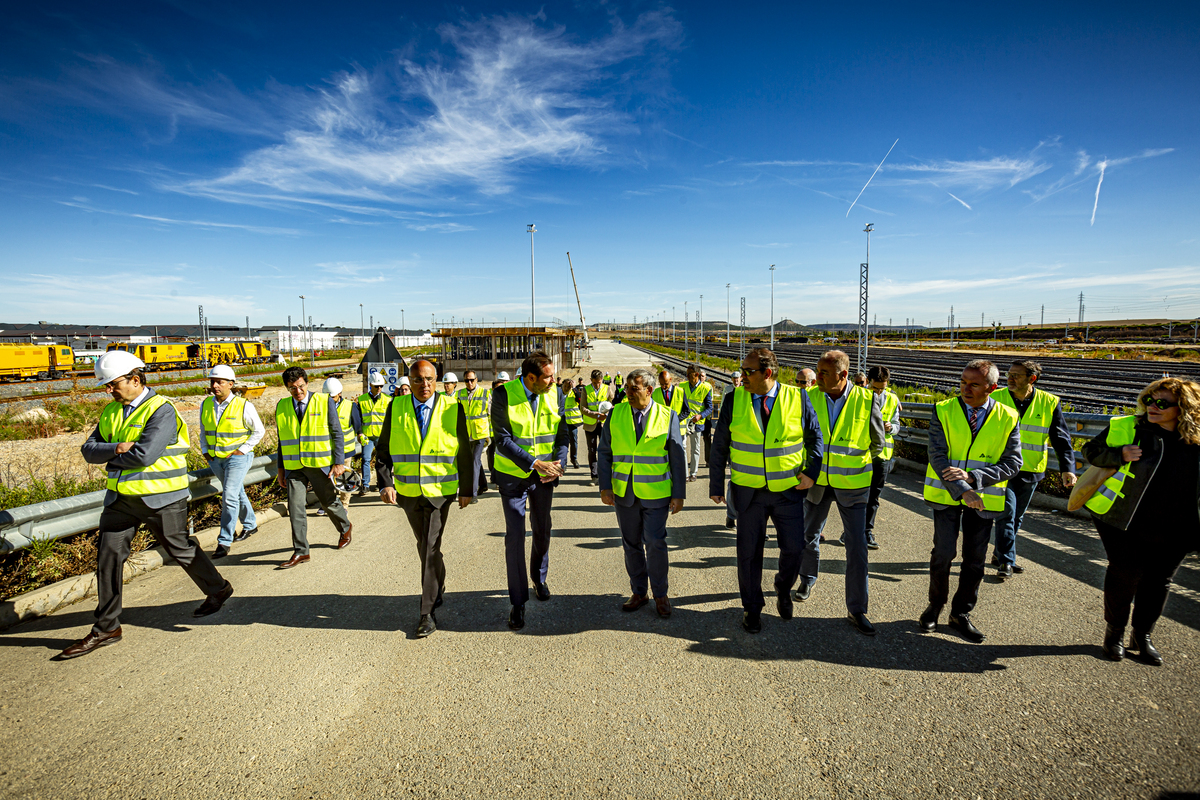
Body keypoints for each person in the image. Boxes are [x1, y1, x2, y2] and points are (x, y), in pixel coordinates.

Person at [62, 351, 232, 659]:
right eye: (106, 386)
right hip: (120, 501)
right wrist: (116, 447)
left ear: (135, 379)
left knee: (179, 549)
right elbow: (88, 450)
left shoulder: (161, 410)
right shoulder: (111, 412)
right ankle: (107, 627)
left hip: (162, 498)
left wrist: (111, 461)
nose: (108, 390)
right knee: (108, 559)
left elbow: (144, 455)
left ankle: (218, 589)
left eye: (112, 384)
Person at [1083, 377, 1200, 665]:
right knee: (1125, 575)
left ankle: (1143, 636)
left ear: (1184, 408)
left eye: (1162, 403)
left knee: (1159, 581)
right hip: (1125, 520)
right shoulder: (1129, 428)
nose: (1152, 407)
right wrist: (1119, 454)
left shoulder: (1195, 440)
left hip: (1178, 525)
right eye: (1149, 400)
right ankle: (1115, 633)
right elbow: (1090, 451)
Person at [709, 348, 823, 634]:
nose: (741, 376)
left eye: (748, 371)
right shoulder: (734, 399)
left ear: (767, 373)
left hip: (787, 491)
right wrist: (715, 484)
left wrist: (810, 472)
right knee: (748, 554)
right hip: (749, 493)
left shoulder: (798, 398)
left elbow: (815, 437)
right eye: (742, 371)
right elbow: (720, 443)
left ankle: (783, 589)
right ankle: (752, 608)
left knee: (795, 549)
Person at [919, 359, 1022, 643]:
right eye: (963, 381)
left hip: (984, 498)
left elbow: (1014, 463)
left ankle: (961, 613)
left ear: (992, 387)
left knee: (974, 561)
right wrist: (964, 489)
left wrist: (975, 477)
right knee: (943, 555)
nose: (966, 388)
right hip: (948, 495)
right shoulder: (943, 409)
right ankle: (935, 607)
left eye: (974, 384)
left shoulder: (1007, 416)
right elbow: (937, 456)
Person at [375, 360, 475, 638]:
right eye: (418, 380)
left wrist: (467, 489)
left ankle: (426, 612)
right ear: (409, 380)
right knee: (425, 547)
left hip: (440, 493)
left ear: (438, 380)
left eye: (429, 379)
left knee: (430, 548)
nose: (424, 385)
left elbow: (464, 451)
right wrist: (385, 483)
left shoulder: (453, 408)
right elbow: (383, 450)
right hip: (407, 493)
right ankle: (438, 584)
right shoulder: (396, 408)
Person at [797, 350, 886, 635]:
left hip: (852, 485)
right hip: (817, 483)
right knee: (808, 535)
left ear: (843, 375)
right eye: (817, 371)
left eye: (823, 373)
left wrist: (851, 464)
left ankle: (857, 608)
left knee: (857, 547)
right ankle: (807, 578)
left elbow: (877, 443)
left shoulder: (867, 399)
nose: (817, 377)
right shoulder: (809, 398)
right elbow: (801, 438)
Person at [492, 352, 572, 630]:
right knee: (515, 536)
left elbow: (563, 434)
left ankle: (539, 578)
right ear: (530, 378)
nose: (554, 380)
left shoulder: (556, 394)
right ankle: (518, 602)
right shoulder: (503, 394)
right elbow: (501, 440)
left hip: (544, 477)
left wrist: (558, 463)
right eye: (548, 376)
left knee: (542, 529)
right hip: (514, 477)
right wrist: (534, 463)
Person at [599, 368, 687, 617]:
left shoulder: (667, 415)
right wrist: (605, 487)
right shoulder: (616, 414)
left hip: (656, 493)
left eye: (633, 389)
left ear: (649, 390)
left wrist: (678, 493)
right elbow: (605, 453)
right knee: (631, 545)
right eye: (626, 388)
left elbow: (677, 457)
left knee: (656, 543)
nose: (627, 393)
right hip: (624, 493)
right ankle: (639, 591)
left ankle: (661, 594)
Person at [991, 360, 1077, 578]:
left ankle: (1000, 552)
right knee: (1006, 513)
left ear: (1032, 379)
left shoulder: (1048, 402)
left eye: (1016, 375)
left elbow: (1061, 438)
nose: (1009, 379)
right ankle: (1006, 561)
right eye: (1009, 374)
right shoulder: (996, 398)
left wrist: (1067, 468)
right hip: (1001, 467)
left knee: (1017, 516)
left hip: (1031, 468)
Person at [274, 365, 353, 569]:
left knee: (328, 502)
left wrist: (338, 462)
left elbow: (337, 433)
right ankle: (301, 552)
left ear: (307, 383)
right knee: (295, 508)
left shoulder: (323, 401)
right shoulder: (282, 406)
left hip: (319, 465)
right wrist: (281, 469)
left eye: (301, 386)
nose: (298, 392)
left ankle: (345, 527)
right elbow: (282, 440)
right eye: (292, 388)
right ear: (287, 388)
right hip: (293, 467)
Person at [200, 364, 264, 558]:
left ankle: (224, 541)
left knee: (229, 496)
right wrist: (205, 451)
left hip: (237, 458)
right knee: (236, 492)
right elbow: (204, 430)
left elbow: (259, 431)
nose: (215, 385)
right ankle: (251, 525)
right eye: (212, 381)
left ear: (231, 384)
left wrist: (242, 450)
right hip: (215, 458)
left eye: (219, 382)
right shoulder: (206, 404)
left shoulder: (244, 405)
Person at [864, 365, 901, 550]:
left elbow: (897, 424)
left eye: (882, 388)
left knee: (874, 496)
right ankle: (851, 531)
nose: (878, 392)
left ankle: (867, 531)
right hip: (862, 454)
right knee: (858, 495)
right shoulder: (858, 396)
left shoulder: (893, 399)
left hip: (883, 455)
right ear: (868, 382)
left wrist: (890, 427)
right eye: (875, 388)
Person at [322, 376, 362, 514]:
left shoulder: (350, 406)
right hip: (327, 451)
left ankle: (344, 505)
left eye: (332, 397)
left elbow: (358, 426)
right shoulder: (321, 407)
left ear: (339, 394)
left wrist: (361, 435)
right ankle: (328, 504)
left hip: (345, 450)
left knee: (345, 478)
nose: (329, 400)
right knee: (327, 479)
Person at [456, 369, 492, 498]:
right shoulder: (459, 394)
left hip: (480, 434)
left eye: (472, 380)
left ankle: (473, 494)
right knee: (474, 460)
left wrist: (491, 435)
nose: (470, 382)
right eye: (467, 380)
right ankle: (483, 484)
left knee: (474, 462)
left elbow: (491, 415)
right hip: (466, 434)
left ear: (476, 380)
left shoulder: (485, 393)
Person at [356, 372, 391, 495]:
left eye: (381, 386)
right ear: (370, 385)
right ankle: (365, 485)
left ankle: (380, 484)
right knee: (365, 459)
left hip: (381, 436)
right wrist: (359, 433)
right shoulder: (362, 400)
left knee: (381, 461)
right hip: (367, 436)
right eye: (377, 386)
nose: (379, 388)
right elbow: (358, 419)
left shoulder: (387, 400)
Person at [580, 369, 613, 486]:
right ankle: (594, 476)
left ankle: (605, 475)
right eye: (595, 383)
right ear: (591, 381)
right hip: (590, 426)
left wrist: (607, 413)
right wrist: (595, 414)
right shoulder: (586, 390)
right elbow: (582, 408)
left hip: (604, 425)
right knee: (592, 450)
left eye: (599, 382)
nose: (597, 385)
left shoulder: (607, 388)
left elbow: (612, 404)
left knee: (605, 450)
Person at [720, 372, 744, 529]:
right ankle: (731, 515)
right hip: (735, 446)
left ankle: (755, 526)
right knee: (734, 483)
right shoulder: (729, 392)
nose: (736, 380)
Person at [682, 365, 714, 482]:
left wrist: (700, 416)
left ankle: (693, 473)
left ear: (696, 375)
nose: (687, 376)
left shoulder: (705, 389)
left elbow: (710, 408)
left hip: (697, 423)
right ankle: (685, 473)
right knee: (683, 447)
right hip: (684, 423)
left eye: (689, 374)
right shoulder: (682, 386)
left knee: (695, 448)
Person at [562, 377, 583, 468]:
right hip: (562, 422)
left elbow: (580, 400)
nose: (566, 388)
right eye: (565, 386)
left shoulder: (574, 393)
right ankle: (564, 462)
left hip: (572, 422)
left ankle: (574, 459)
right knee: (563, 443)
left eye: (568, 386)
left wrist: (574, 388)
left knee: (574, 442)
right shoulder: (558, 394)